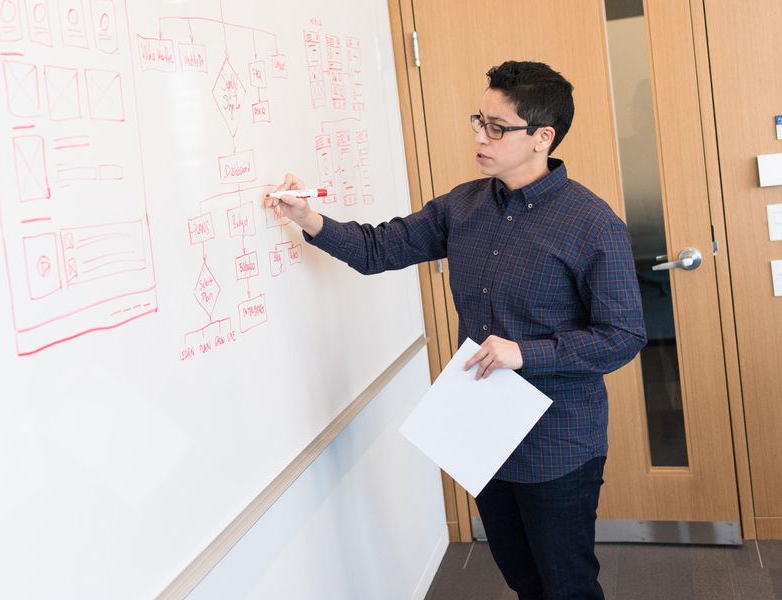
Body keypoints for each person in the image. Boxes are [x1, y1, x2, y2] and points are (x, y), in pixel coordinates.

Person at [265, 61, 646, 599]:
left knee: (567, 585)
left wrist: (526, 354)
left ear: (543, 138)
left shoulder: (591, 223)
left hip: (557, 440)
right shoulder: (463, 206)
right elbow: (379, 249)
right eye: (479, 121)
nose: (480, 137)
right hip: (482, 432)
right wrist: (308, 218)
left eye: (497, 127)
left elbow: (623, 335)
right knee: (522, 578)